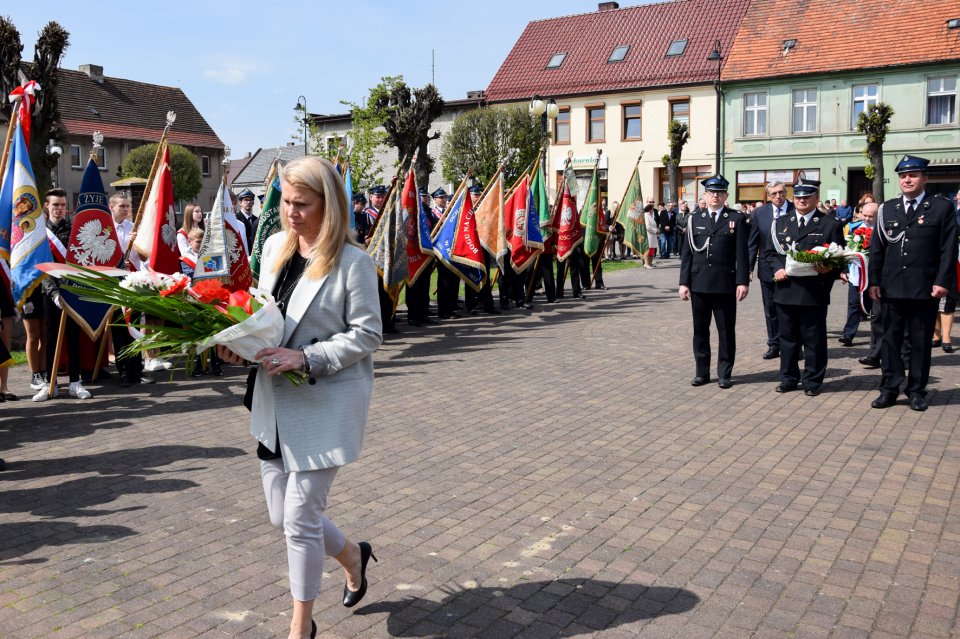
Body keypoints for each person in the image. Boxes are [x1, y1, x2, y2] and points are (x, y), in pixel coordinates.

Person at [218, 156, 382, 639]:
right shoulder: (272, 248)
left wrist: (306, 357)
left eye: (301, 204)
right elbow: (261, 316)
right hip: (272, 404)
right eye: (287, 201)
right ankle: (354, 555)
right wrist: (238, 347)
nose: (290, 212)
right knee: (281, 515)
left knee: (299, 519)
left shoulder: (354, 262)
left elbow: (368, 334)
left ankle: (301, 626)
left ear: (327, 205)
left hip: (324, 404)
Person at [868, 156, 958, 411]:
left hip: (924, 286)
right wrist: (873, 281)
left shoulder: (940, 207)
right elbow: (878, 248)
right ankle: (889, 388)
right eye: (903, 176)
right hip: (891, 285)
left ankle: (916, 390)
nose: (907, 180)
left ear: (925, 178)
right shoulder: (888, 208)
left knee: (919, 341)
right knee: (890, 340)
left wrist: (943, 281)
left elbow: (948, 248)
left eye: (914, 175)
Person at [764, 177, 845, 396]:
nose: (801, 200)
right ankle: (788, 378)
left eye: (806, 197)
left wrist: (828, 268)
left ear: (816, 198)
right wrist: (777, 269)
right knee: (788, 339)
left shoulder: (830, 224)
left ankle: (813, 380)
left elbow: (841, 257)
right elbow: (770, 254)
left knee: (813, 340)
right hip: (785, 289)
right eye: (798, 197)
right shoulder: (780, 223)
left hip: (813, 292)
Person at [678, 175, 750, 389]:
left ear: (726, 195)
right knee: (700, 330)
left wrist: (742, 282)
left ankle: (725, 373)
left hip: (725, 284)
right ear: (705, 196)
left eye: (720, 192)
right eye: (712, 192)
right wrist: (684, 283)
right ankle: (702, 372)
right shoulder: (694, 219)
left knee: (726, 331)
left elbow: (741, 255)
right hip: (699, 283)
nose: (715, 196)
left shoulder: (735, 219)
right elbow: (687, 254)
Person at [34, 189, 92, 401]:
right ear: (47, 207)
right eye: (55, 205)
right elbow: (42, 266)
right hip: (49, 292)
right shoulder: (39, 233)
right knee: (50, 338)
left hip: (72, 290)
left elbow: (81, 262)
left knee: (73, 337)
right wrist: (55, 293)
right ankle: (51, 383)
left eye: (62, 205)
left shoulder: (75, 231)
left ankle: (75, 383)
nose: (59, 209)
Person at [748, 181, 795, 360]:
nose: (778, 196)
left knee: (791, 310)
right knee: (771, 309)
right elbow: (753, 242)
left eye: (781, 192)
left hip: (792, 269)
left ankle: (794, 345)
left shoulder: (795, 209)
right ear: (768, 196)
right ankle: (774, 344)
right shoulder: (760, 213)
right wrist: (749, 268)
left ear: (786, 192)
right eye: (773, 193)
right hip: (768, 269)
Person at [108, 192, 149, 387]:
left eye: (127, 206)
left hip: (133, 281)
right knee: (120, 329)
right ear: (112, 207)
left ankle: (136, 370)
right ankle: (123, 370)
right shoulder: (106, 230)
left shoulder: (132, 228)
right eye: (122, 206)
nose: (126, 209)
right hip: (115, 283)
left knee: (134, 326)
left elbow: (143, 258)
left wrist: (138, 242)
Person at [839, 202, 877, 347]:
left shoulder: (882, 229)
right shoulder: (854, 228)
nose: (867, 219)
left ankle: (876, 339)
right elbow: (846, 251)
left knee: (874, 309)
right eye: (864, 215)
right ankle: (848, 334)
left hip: (873, 276)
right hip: (856, 274)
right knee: (853, 305)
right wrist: (844, 270)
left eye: (870, 216)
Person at [643, 204, 659, 268]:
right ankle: (646, 264)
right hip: (649, 235)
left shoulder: (650, 215)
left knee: (652, 250)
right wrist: (655, 231)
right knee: (648, 250)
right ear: (649, 210)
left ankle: (650, 263)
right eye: (652, 209)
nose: (653, 210)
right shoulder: (646, 215)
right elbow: (648, 227)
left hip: (652, 236)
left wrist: (656, 229)